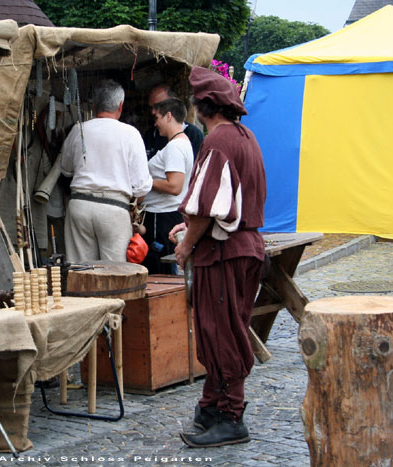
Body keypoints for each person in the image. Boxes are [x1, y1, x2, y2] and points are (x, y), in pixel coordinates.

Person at [169, 67, 266, 448]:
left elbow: (209, 208)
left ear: (202, 106)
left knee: (221, 332)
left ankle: (230, 416)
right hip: (241, 248)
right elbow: (223, 203)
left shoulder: (219, 141)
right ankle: (212, 407)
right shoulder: (245, 136)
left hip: (225, 254)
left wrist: (186, 244)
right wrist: (189, 229)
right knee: (219, 329)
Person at [60, 79, 152, 262]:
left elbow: (66, 169)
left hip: (80, 206)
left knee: (81, 273)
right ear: (120, 106)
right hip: (114, 209)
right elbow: (142, 187)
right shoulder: (130, 133)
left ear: (94, 106)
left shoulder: (79, 130)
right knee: (116, 275)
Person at [141, 98, 193, 275]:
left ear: (169, 116)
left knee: (159, 270)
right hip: (166, 215)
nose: (155, 124)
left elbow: (174, 186)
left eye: (157, 118)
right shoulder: (181, 143)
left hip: (162, 217)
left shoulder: (175, 147)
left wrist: (145, 181)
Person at [144, 83, 204, 160]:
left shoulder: (193, 135)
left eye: (158, 106)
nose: (153, 112)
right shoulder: (150, 135)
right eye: (151, 107)